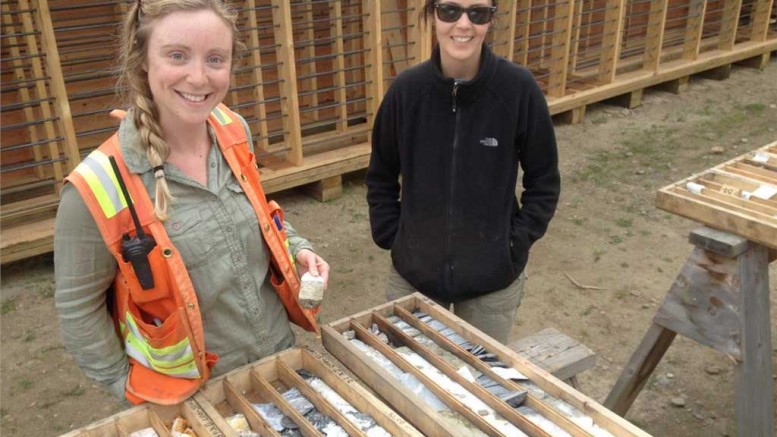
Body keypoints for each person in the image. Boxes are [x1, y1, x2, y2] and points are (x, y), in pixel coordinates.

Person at [54, 0, 329, 405]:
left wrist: (297, 248)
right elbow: (79, 310)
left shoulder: (233, 130)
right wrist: (128, 388)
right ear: (143, 58)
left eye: (215, 59)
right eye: (177, 55)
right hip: (198, 396)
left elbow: (257, 216)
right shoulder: (95, 188)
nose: (198, 77)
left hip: (280, 360)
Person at [366, 0, 560, 344]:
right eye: (450, 11)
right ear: (432, 14)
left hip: (492, 282)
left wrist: (515, 242)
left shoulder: (518, 89)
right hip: (414, 278)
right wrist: (393, 235)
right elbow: (381, 172)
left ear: (491, 20)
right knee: (407, 382)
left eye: (478, 13)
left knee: (482, 387)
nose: (464, 24)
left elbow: (544, 178)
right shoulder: (406, 91)